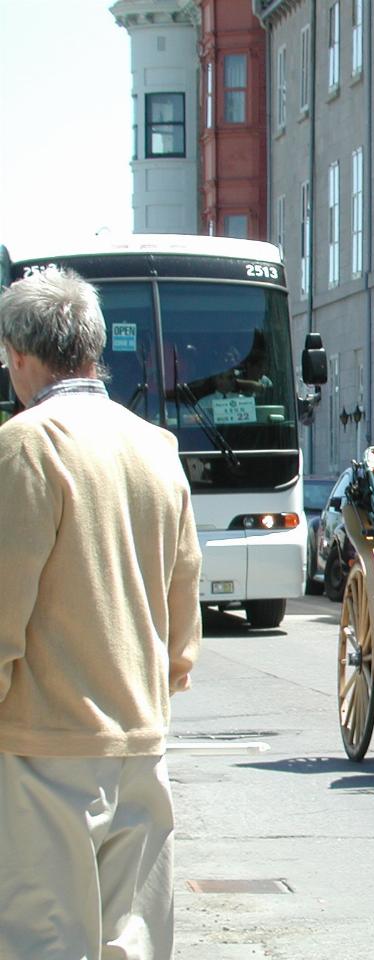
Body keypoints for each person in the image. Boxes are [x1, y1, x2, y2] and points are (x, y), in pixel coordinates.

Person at [0, 267, 202, 960]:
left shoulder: (27, 443)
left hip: (46, 739)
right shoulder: (156, 447)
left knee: (45, 941)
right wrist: (169, 669)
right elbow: (184, 587)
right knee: (133, 942)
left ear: (19, 355)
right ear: (93, 347)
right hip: (140, 737)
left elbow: (3, 604)